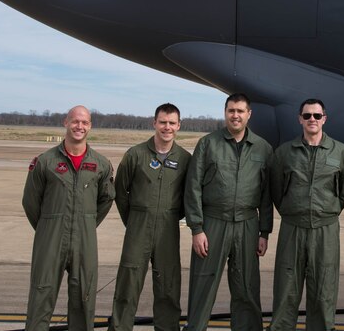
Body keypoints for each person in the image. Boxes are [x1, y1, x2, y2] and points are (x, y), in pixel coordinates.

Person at [183, 93, 273, 331]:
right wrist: (197, 228)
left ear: (249, 114)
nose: (236, 115)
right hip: (213, 222)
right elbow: (193, 186)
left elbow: (266, 195)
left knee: (246, 287)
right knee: (203, 284)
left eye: (240, 111)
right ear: (225, 113)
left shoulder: (263, 148)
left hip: (247, 223)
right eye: (231, 110)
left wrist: (264, 232)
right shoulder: (208, 144)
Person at [22, 105, 115, 331]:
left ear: (90, 126)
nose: (79, 126)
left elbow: (106, 199)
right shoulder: (45, 162)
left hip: (84, 241)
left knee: (84, 298)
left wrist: (86, 223)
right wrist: (49, 225)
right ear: (65, 123)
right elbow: (30, 201)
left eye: (84, 122)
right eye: (75, 121)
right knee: (41, 297)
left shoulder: (101, 164)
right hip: (50, 240)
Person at [269, 99, 344, 331]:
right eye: (307, 116)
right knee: (286, 288)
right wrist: (291, 208)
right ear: (300, 119)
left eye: (317, 116)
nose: (312, 120)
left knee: (323, 290)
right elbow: (276, 189)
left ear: (324, 118)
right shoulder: (285, 152)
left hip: (325, 229)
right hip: (292, 228)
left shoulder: (342, 152)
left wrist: (329, 208)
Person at [109, 103, 191, 331]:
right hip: (138, 228)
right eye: (163, 122)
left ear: (179, 126)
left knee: (168, 287)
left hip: (168, 230)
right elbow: (120, 192)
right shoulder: (135, 154)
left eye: (172, 123)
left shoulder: (185, 159)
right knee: (128, 286)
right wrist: (135, 219)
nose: (167, 127)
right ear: (154, 123)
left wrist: (172, 214)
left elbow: (188, 196)